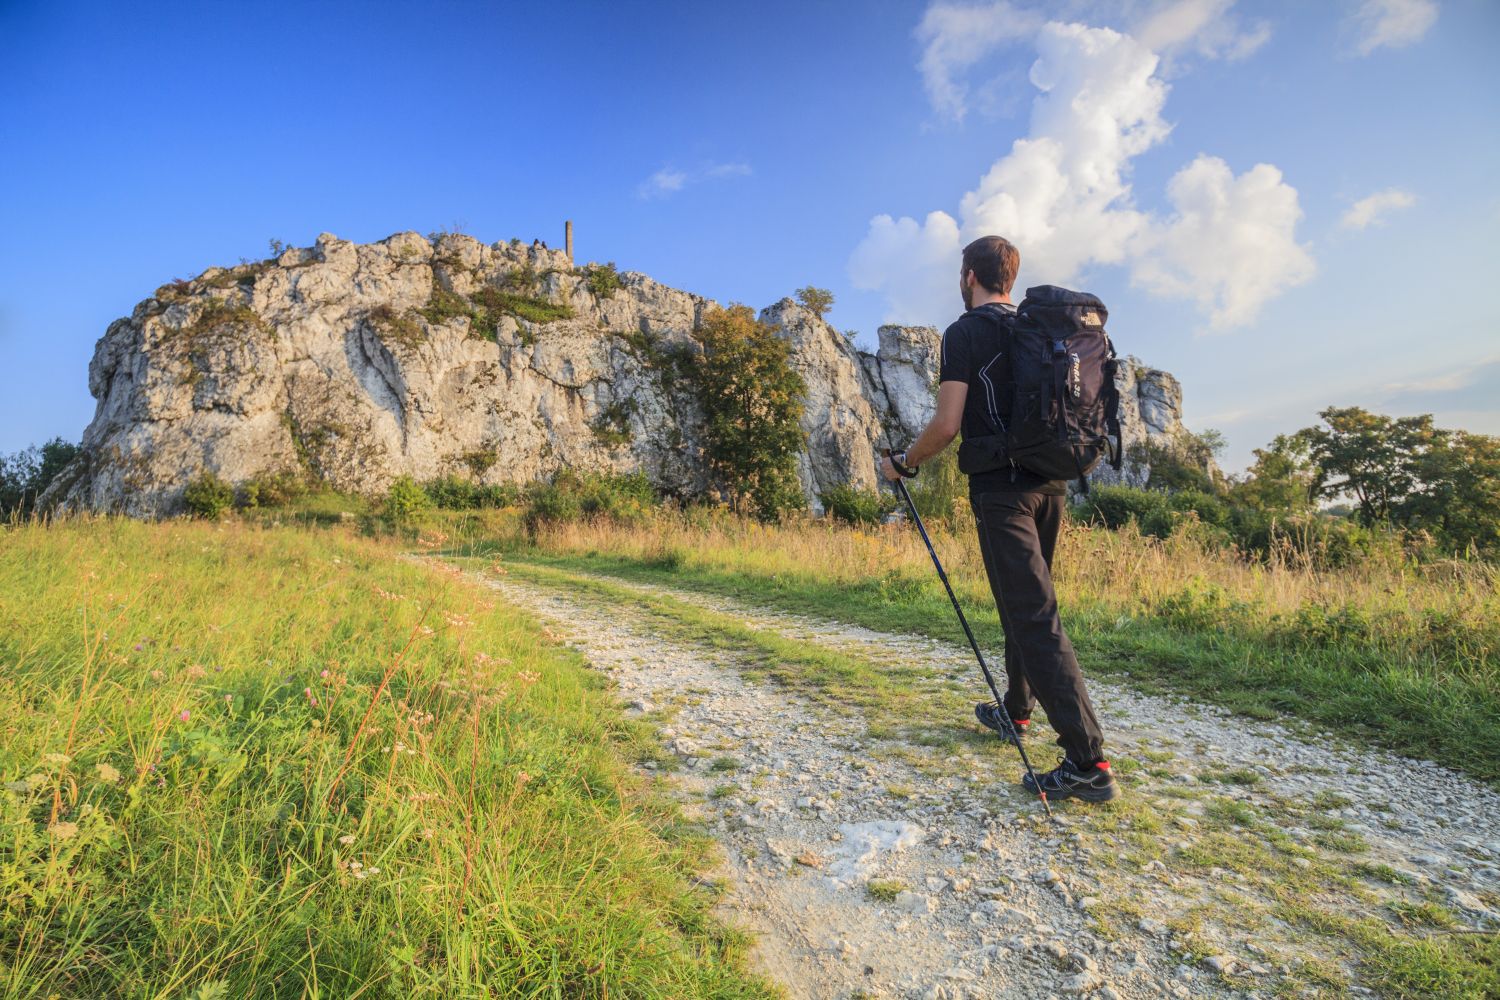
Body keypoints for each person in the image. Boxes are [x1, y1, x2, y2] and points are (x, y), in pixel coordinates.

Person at [878, 235, 1118, 803]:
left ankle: (1089, 761)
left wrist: (903, 464)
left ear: (969, 277)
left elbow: (946, 425)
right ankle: (1017, 709)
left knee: (1033, 614)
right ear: (1011, 276)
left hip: (1001, 491)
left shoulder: (966, 333)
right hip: (1052, 485)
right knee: (1026, 603)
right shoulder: (1038, 329)